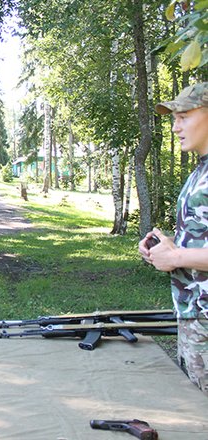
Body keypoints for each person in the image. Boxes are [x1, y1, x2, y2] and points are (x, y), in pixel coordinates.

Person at [139, 82, 208, 396]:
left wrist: (178, 257)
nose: (175, 126)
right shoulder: (199, 172)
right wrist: (164, 247)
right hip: (194, 316)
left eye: (183, 116)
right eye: (173, 118)